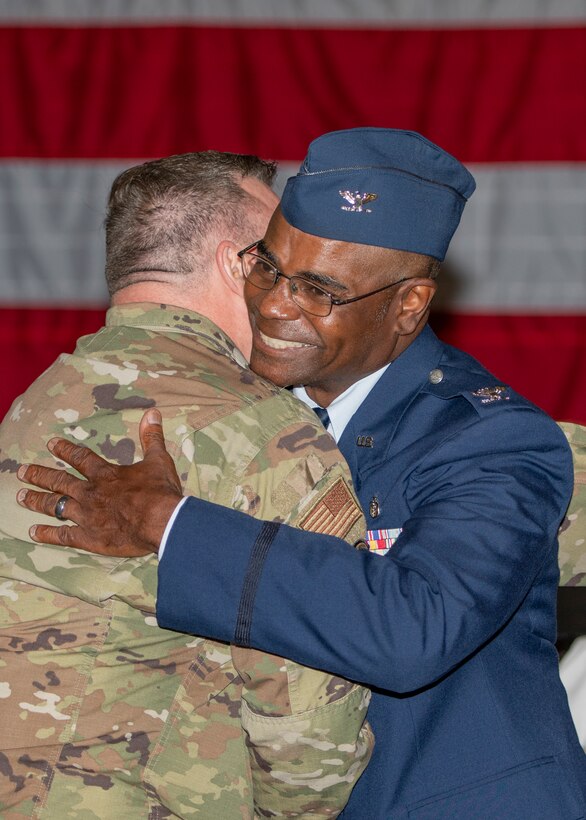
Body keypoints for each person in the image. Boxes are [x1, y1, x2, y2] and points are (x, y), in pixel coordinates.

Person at [16, 128, 586, 818]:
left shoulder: (487, 439)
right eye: (267, 269)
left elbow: (414, 630)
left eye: (319, 290)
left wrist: (172, 526)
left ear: (407, 305)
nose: (277, 305)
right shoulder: (246, 420)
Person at [0, 151, 374, 818]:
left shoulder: (39, 401)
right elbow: (310, 736)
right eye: (281, 254)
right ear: (240, 264)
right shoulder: (262, 432)